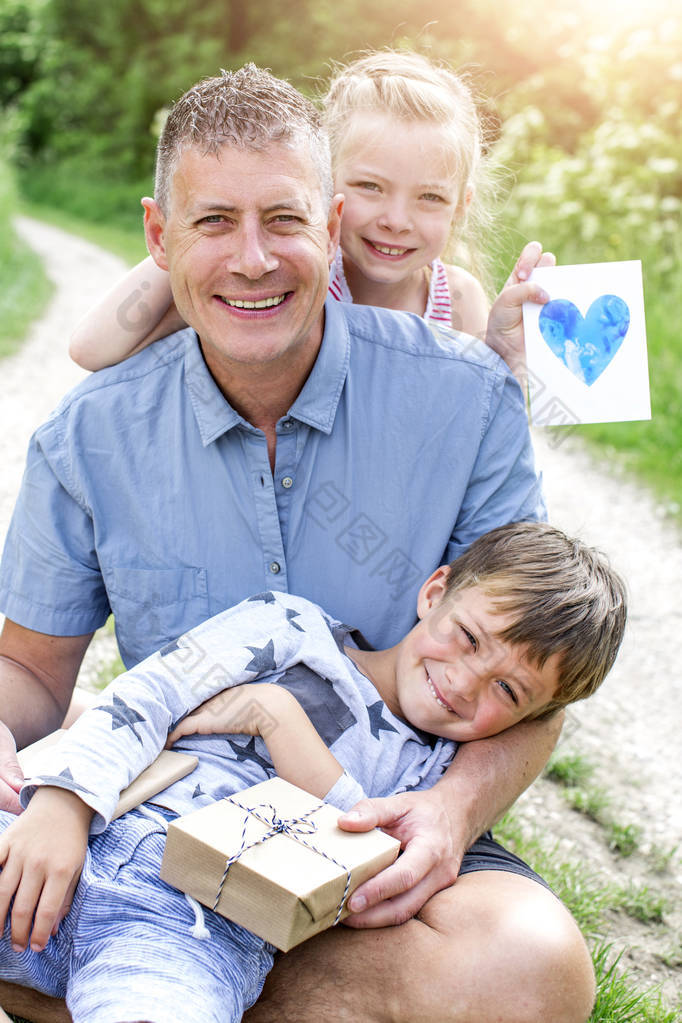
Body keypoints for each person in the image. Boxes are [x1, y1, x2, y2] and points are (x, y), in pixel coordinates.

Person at [0, 65, 588, 1023]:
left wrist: (446, 815)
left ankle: (113, 967)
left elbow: (530, 670)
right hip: (160, 806)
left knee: (530, 968)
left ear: (329, 222)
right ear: (159, 236)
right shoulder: (91, 434)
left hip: (376, 825)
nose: (253, 259)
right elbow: (28, 670)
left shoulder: (467, 398)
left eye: (282, 220)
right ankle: (134, 954)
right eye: (213, 223)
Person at [0, 522, 627, 1023]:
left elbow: (359, 857)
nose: (462, 683)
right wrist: (62, 805)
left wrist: (282, 723)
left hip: (198, 925)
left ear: (535, 718)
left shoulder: (438, 782)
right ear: (435, 592)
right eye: (467, 637)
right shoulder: (289, 627)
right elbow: (151, 692)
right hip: (72, 833)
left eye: (509, 691)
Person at [67, 50, 551, 376]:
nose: (397, 220)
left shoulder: (456, 300)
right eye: (370, 187)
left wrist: (509, 358)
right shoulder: (291, 281)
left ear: (460, 207)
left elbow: (490, 425)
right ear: (324, 194)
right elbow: (92, 349)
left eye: (430, 197)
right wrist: (182, 239)